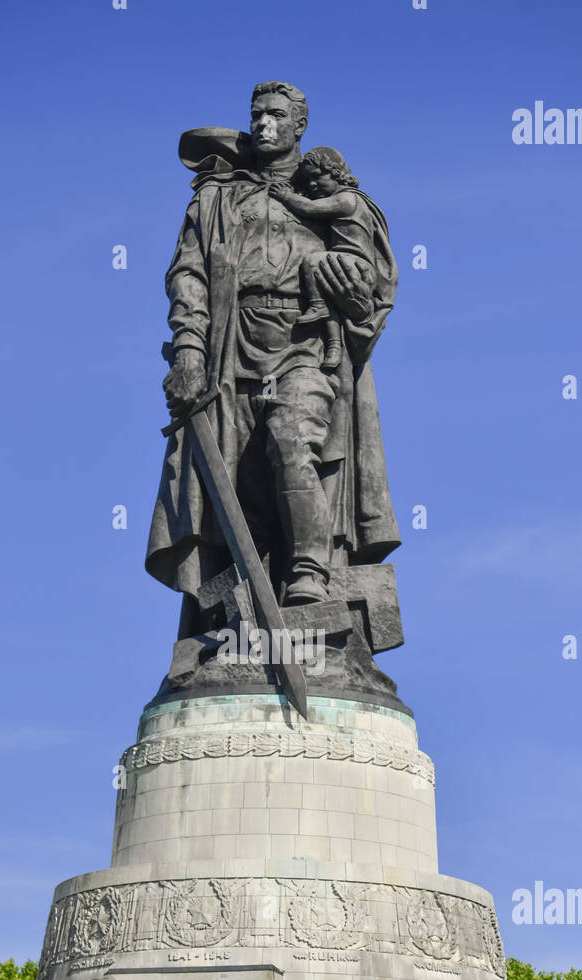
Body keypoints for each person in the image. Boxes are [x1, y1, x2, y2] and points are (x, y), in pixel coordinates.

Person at [149, 80, 401, 616]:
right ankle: (245, 602)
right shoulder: (217, 196)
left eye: (276, 115)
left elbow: (372, 284)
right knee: (239, 482)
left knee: (292, 441)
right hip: (229, 348)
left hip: (305, 343)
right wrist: (190, 349)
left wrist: (349, 287)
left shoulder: (326, 193)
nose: (264, 123)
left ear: (298, 126)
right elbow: (188, 274)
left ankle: (311, 572)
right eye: (256, 114)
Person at [269, 147, 377, 370]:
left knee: (312, 261)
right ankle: (334, 347)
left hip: (355, 264)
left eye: (318, 177)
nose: (312, 185)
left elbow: (310, 208)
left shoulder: (347, 199)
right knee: (331, 300)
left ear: (336, 173)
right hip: (345, 264)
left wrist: (286, 196)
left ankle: (317, 306)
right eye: (308, 180)